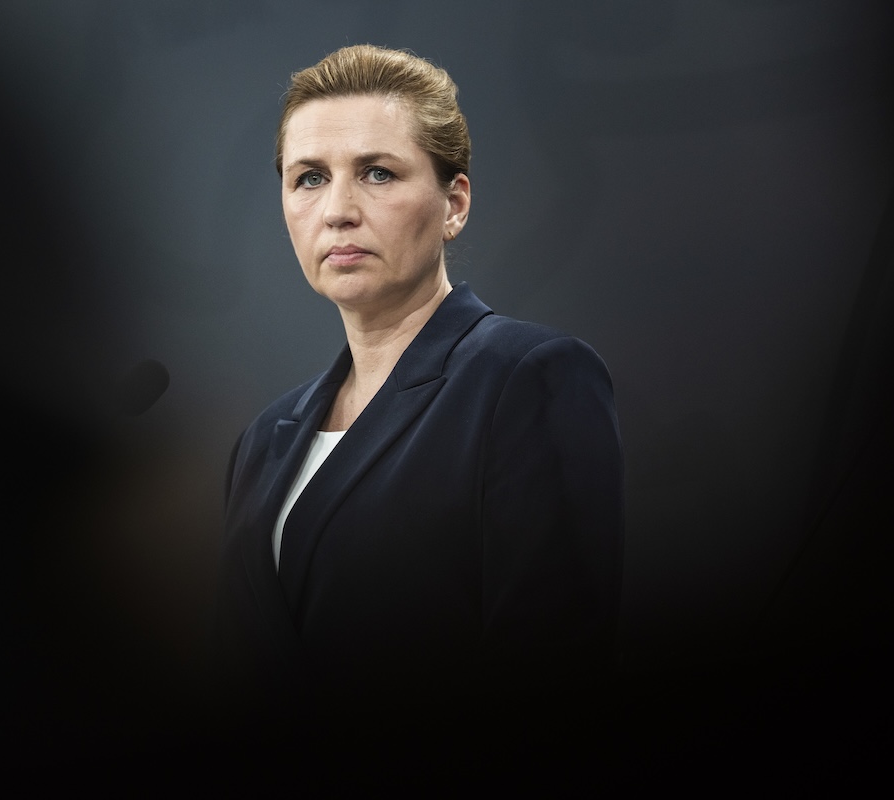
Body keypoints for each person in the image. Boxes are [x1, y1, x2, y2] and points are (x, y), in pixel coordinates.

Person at [213, 44, 624, 745]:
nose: (338, 211)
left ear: (454, 203)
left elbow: (556, 672)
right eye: (309, 178)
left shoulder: (529, 378)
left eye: (377, 173)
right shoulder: (263, 438)